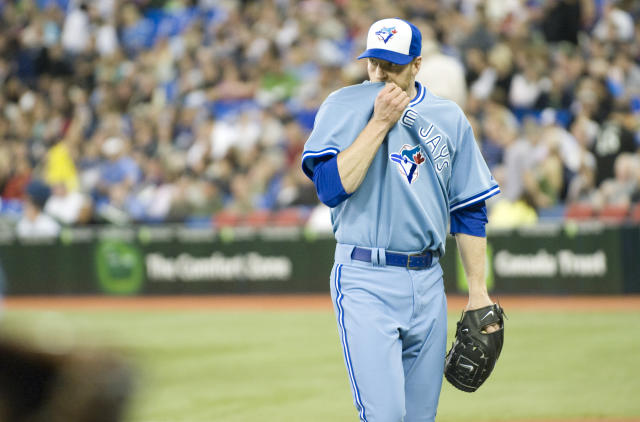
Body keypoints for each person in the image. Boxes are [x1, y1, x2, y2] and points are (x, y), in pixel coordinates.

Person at [301, 18, 500, 422]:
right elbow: (330, 188)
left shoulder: (449, 118)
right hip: (364, 278)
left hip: (428, 281)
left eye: (391, 65)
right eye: (374, 63)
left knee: (419, 417)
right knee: (386, 415)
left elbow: (469, 209)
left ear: (416, 65)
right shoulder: (343, 105)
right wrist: (379, 123)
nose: (380, 74)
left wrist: (478, 291)